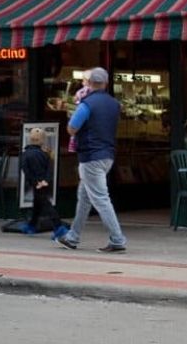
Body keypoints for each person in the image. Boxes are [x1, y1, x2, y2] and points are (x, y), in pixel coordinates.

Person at [56, 66, 127, 253]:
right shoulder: (114, 103)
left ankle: (118, 239)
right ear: (105, 83)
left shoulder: (86, 104)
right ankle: (72, 237)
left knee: (101, 198)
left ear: (89, 83)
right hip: (107, 155)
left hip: (90, 156)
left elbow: (72, 127)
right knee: (84, 197)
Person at [20, 127, 68, 240]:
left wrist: (35, 182)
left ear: (30, 139)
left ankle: (58, 227)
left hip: (36, 183)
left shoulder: (26, 154)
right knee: (38, 203)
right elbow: (49, 169)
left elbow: (26, 170)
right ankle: (32, 225)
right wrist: (46, 180)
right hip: (45, 183)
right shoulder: (44, 154)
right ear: (42, 140)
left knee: (46, 204)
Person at [67, 74, 92, 153]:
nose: (82, 82)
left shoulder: (83, 92)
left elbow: (76, 100)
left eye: (84, 80)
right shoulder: (90, 92)